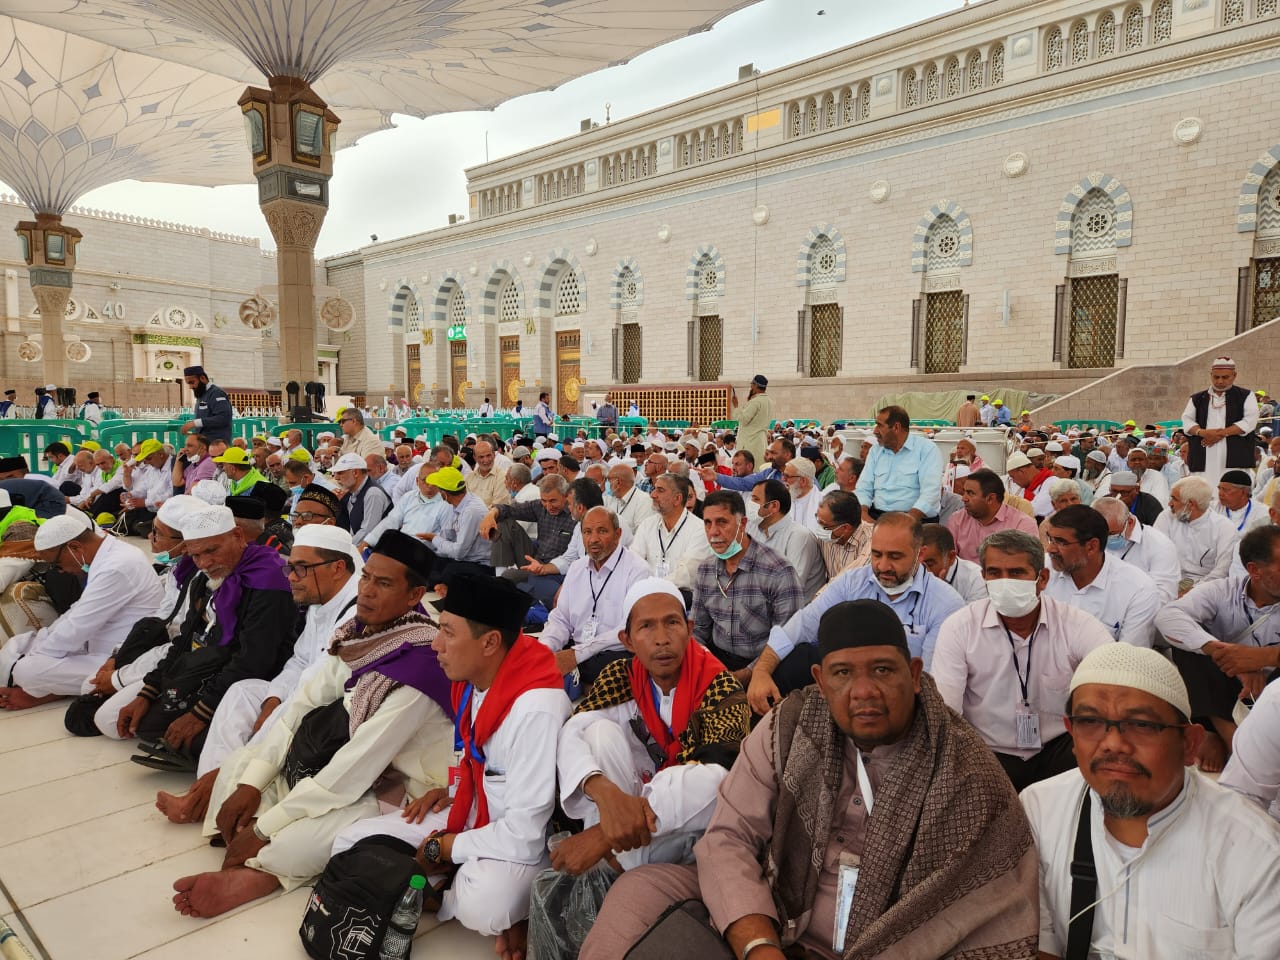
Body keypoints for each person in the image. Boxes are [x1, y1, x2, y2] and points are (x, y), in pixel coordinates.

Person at [581, 599, 1039, 960]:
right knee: (643, 889)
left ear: (915, 675)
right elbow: (728, 838)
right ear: (821, 680)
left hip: (894, 940)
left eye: (883, 670)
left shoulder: (962, 763)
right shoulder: (789, 726)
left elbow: (988, 896)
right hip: (773, 918)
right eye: (843, 674)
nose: (864, 691)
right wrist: (759, 945)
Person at [172, 530, 453, 919]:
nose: (367, 591)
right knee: (241, 766)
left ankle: (261, 873)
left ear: (414, 596)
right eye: (367, 577)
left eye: (383, 583)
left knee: (318, 834)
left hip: (398, 787)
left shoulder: (419, 668)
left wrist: (263, 828)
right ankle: (253, 835)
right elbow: (300, 708)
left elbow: (353, 769)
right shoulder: (360, 632)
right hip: (335, 756)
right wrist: (252, 786)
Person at [331, 572, 570, 959]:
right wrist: (450, 794)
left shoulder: (535, 708)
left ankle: (436, 887)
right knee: (348, 842)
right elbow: (476, 766)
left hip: (522, 847)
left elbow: (525, 837)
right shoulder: (470, 681)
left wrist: (442, 849)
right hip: (469, 813)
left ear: (490, 642)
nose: (435, 645)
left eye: (447, 632)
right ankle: (439, 887)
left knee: (486, 903)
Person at [1021, 643, 1280, 960]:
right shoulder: (1040, 808)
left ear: (1190, 744)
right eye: (1090, 721)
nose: (1113, 743)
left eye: (1142, 725)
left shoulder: (1256, 853)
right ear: (1071, 733)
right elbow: (1041, 944)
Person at [155, 523, 362, 824]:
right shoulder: (320, 597)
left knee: (272, 730)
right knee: (243, 690)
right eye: (290, 568)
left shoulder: (357, 612)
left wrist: (274, 714)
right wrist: (273, 699)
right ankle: (210, 792)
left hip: (332, 712)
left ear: (338, 568)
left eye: (300, 569)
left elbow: (314, 690)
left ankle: (215, 789)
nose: (291, 578)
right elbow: (300, 660)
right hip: (299, 694)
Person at [552, 578, 749, 880]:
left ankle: (617, 849)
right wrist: (601, 790)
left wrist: (605, 834)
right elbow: (573, 731)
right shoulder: (622, 675)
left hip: (693, 824)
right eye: (646, 627)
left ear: (689, 629)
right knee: (597, 734)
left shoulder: (719, 684)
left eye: (672, 623)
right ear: (627, 640)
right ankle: (621, 846)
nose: (661, 639)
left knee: (694, 790)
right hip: (627, 804)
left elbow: (720, 778)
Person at [114, 506, 297, 762]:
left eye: (212, 550)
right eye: (196, 555)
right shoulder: (205, 577)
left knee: (166, 730)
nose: (205, 563)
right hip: (209, 664)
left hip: (254, 678)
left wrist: (201, 712)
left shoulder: (269, 581)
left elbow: (254, 660)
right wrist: (149, 690)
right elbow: (185, 639)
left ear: (237, 535)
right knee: (143, 724)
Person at [933, 530, 1112, 791]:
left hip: (1060, 747)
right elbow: (947, 712)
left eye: (1017, 573)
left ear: (1043, 578)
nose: (1004, 582)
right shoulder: (960, 627)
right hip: (987, 751)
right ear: (983, 576)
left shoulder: (1076, 625)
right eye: (994, 573)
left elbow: (1114, 679)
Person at [749, 513, 965, 711]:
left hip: (902, 705)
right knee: (797, 658)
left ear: (920, 554)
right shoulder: (854, 582)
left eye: (895, 557)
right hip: (845, 689)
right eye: (877, 554)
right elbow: (804, 624)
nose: (883, 566)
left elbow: (932, 685)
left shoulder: (945, 604)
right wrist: (761, 671)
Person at [0, 511, 164, 710]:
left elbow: (77, 627)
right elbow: (76, 612)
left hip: (118, 658)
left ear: (75, 547)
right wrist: (38, 645)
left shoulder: (118, 566)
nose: (59, 571)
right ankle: (51, 685)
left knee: (27, 671)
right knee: (18, 645)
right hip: (94, 642)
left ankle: (51, 692)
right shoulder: (107, 555)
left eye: (56, 564)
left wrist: (34, 656)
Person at [1155, 525, 1280, 773]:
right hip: (1230, 682)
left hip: (1273, 686)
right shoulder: (1224, 590)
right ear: (1254, 570)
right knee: (1190, 645)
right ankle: (1225, 732)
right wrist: (1223, 651)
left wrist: (1264, 657)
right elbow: (1167, 616)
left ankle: (1217, 730)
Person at [691, 491, 803, 681]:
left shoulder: (778, 570)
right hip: (717, 662)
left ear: (742, 524)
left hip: (766, 666)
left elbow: (787, 637)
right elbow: (698, 629)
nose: (713, 532)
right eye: (707, 523)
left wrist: (748, 673)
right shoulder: (706, 569)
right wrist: (703, 663)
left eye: (722, 522)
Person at [538, 506, 650, 684]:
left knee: (622, 667)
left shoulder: (637, 570)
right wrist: (544, 649)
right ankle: (569, 677)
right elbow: (561, 619)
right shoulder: (577, 568)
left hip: (615, 652)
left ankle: (572, 678)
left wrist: (576, 655)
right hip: (579, 648)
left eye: (602, 531)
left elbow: (627, 631)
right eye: (587, 532)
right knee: (536, 659)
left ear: (618, 534)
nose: (593, 539)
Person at [1043, 504, 1160, 646]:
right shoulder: (1040, 569)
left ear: (1091, 547)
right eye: (1050, 539)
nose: (1050, 549)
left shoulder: (1138, 589)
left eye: (1060, 542)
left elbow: (1129, 660)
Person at [854, 406, 944, 522]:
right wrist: (864, 514)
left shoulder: (927, 449)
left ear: (896, 427)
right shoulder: (876, 451)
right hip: (878, 517)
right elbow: (863, 488)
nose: (875, 431)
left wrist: (905, 522)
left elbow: (930, 493)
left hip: (916, 519)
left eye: (880, 425)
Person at [1182, 356, 1259, 486]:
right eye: (1216, 377)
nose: (1220, 381)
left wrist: (1219, 434)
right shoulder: (1197, 398)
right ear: (1211, 375)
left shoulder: (1246, 395)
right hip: (1203, 458)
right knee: (1203, 494)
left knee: (1232, 491)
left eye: (1225, 377)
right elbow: (1187, 421)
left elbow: (1249, 422)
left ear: (1234, 376)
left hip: (1235, 458)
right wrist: (1202, 432)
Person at [1154, 475, 1237, 591]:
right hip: (1168, 579)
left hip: (1205, 586)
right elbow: (1155, 554)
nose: (1170, 504)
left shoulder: (1224, 528)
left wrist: (1193, 590)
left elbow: (1221, 572)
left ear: (1190, 504)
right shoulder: (1167, 516)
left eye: (1174, 499)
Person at [417, 466, 494, 588]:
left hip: (481, 565)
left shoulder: (471, 511)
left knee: (450, 572)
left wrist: (434, 539)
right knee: (427, 562)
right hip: (465, 560)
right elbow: (449, 537)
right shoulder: (456, 505)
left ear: (444, 493)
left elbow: (459, 552)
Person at [631, 473, 710, 590]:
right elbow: (634, 562)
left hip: (682, 597)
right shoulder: (647, 525)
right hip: (646, 593)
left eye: (660, 490)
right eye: (654, 489)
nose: (652, 495)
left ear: (677, 498)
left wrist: (652, 586)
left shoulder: (699, 529)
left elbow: (686, 575)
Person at [1092, 496, 1179, 601]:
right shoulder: (1092, 539)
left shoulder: (1160, 545)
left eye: (1112, 534)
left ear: (1130, 522)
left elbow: (1163, 595)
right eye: (1100, 534)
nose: (1105, 539)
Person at [945, 467, 1038, 562]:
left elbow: (1027, 566)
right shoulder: (957, 520)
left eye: (970, 493)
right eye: (964, 492)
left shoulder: (1021, 524)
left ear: (990, 498)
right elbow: (948, 562)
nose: (963, 498)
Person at [331, 453, 391, 546]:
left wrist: (344, 547)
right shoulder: (351, 494)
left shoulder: (373, 493)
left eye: (340, 473)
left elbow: (367, 532)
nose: (336, 478)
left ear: (355, 473)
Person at [918, 522, 985, 603]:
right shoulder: (907, 573)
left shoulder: (976, 579)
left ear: (951, 557)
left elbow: (972, 615)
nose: (921, 571)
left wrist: (937, 591)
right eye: (916, 564)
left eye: (929, 564)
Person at [814, 489, 871, 579]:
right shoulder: (825, 538)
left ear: (845, 528)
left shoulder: (872, 541)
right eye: (817, 519)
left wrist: (822, 593)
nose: (820, 528)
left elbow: (851, 580)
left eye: (824, 525)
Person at [178, 366, 232, 444]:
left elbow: (223, 417)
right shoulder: (202, 395)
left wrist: (194, 423)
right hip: (204, 444)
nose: (190, 387)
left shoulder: (216, 393)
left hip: (217, 444)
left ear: (202, 378)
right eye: (188, 384)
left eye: (192, 382)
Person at [1214, 468, 1270, 536]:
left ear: (1243, 492)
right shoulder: (1213, 507)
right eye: (1219, 489)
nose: (1220, 493)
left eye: (1225, 490)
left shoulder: (1262, 513)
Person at [735, 374, 772, 467]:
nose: (751, 386)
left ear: (755, 385)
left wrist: (736, 406)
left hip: (750, 442)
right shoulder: (769, 401)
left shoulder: (755, 402)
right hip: (760, 441)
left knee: (749, 471)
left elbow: (744, 420)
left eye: (752, 384)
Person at [464, 440, 510, 508]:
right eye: (481, 457)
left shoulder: (502, 477)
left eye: (488, 455)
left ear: (494, 455)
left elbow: (498, 507)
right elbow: (465, 503)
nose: (486, 460)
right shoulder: (469, 478)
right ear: (475, 458)